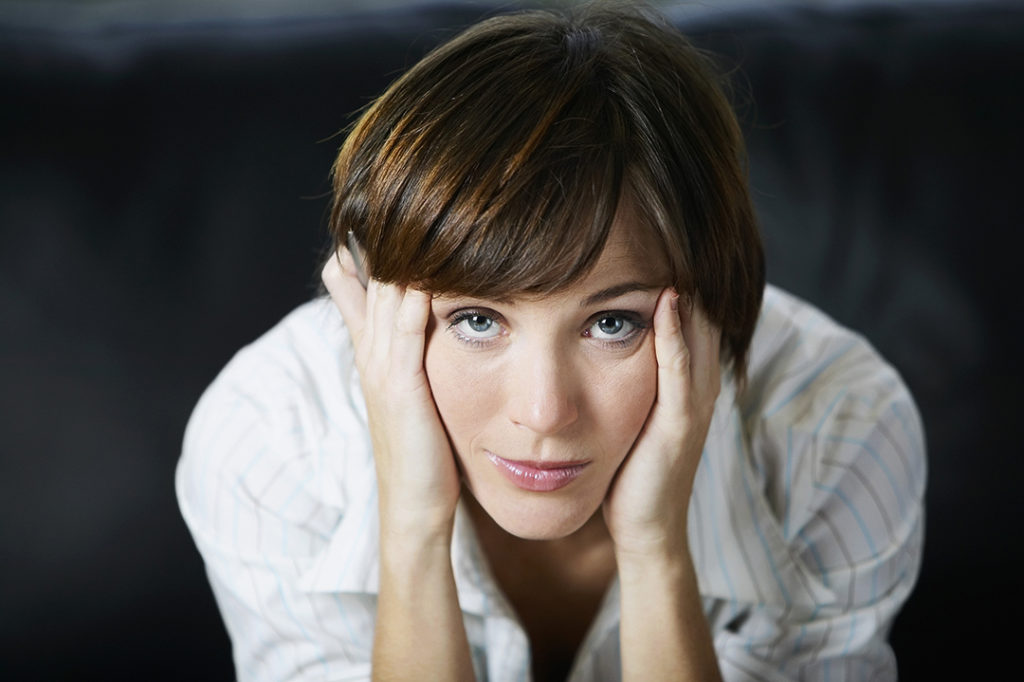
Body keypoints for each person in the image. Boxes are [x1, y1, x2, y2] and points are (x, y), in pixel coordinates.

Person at [177, 3, 925, 681]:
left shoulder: (838, 430)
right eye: (477, 320)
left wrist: (657, 551)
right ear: (379, 304)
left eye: (612, 323)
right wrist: (410, 525)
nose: (544, 412)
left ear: (713, 296)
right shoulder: (269, 441)